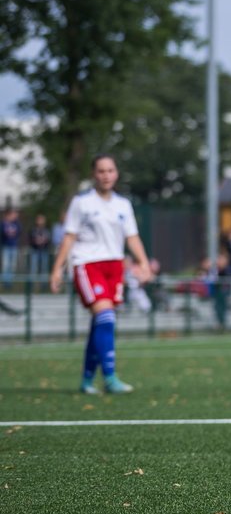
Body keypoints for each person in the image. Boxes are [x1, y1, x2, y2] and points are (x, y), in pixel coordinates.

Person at [49, 154, 152, 394]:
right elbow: (69, 236)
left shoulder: (123, 205)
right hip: (87, 264)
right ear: (93, 175)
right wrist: (57, 268)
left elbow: (132, 236)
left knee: (100, 324)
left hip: (114, 266)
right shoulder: (81, 203)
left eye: (110, 171)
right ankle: (110, 378)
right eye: (101, 171)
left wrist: (144, 262)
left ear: (116, 174)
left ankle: (86, 380)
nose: (106, 175)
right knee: (106, 318)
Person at [28, 214, 52, 286]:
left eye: (42, 220)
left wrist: (43, 242)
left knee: (44, 267)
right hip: (35, 250)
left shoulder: (46, 230)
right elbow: (30, 239)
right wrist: (36, 242)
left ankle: (43, 284)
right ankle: (32, 284)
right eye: (39, 219)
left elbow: (48, 239)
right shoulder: (33, 230)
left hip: (44, 250)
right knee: (33, 267)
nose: (40, 221)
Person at [1, 208, 19, 290]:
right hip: (6, 247)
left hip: (13, 247)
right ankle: (6, 282)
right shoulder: (3, 224)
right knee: (6, 265)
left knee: (12, 266)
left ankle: (10, 282)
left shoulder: (16, 224)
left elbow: (19, 231)